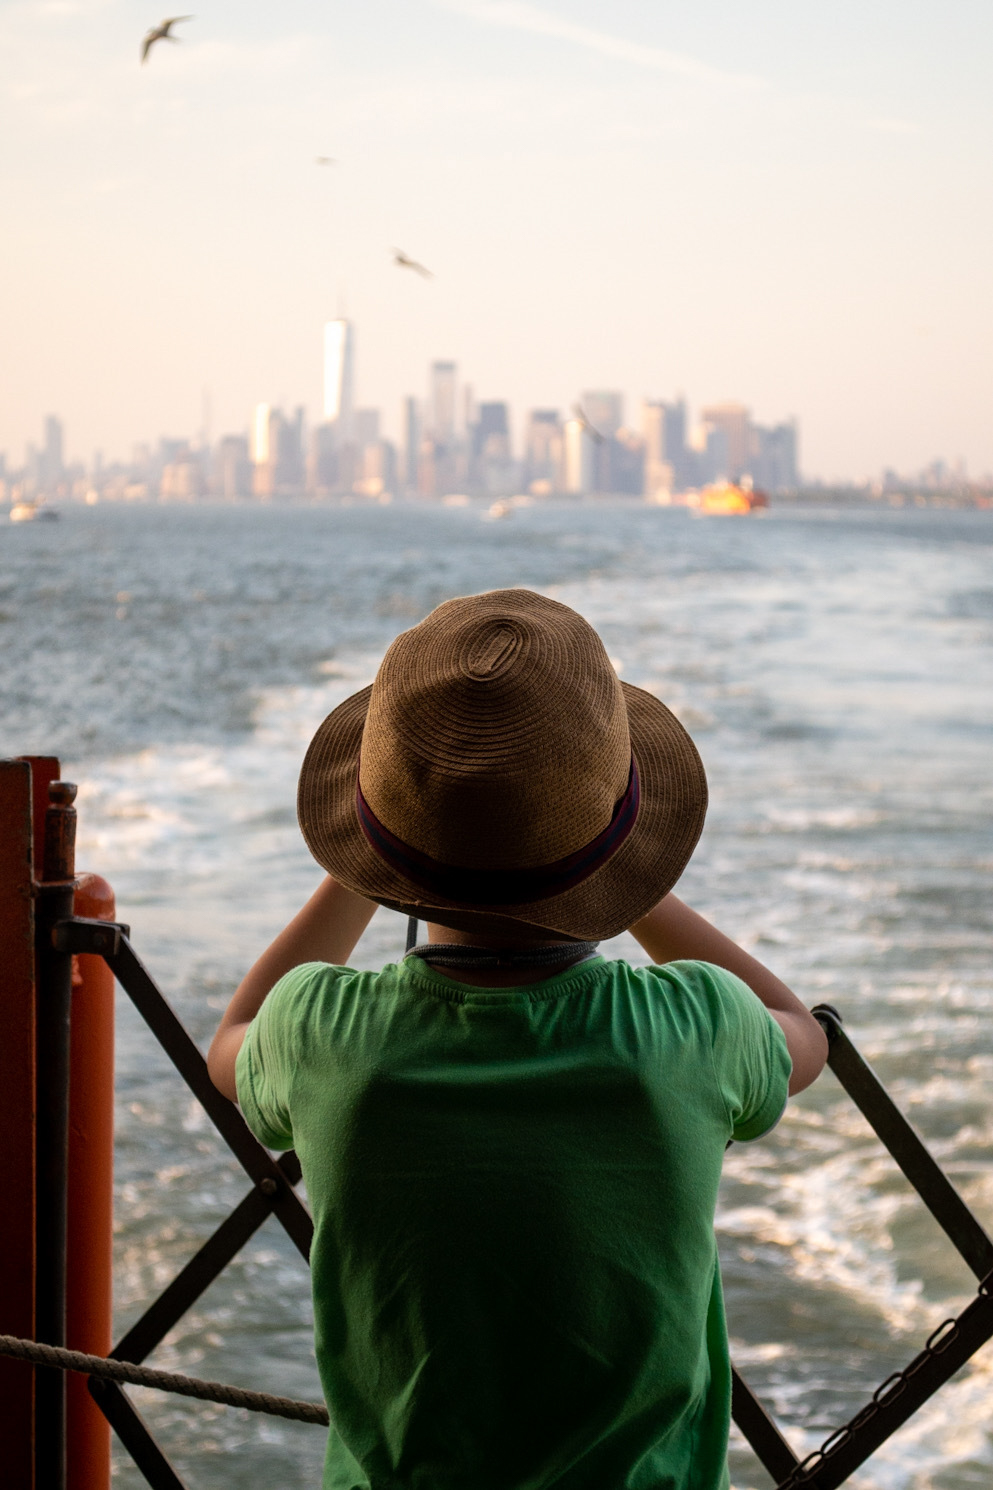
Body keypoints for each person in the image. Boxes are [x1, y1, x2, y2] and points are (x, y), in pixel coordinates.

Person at [208, 587, 828, 1490]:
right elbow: (804, 1035)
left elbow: (229, 1039)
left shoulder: (318, 1032)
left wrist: (372, 858)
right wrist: (617, 863)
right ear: (610, 844)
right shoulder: (693, 1025)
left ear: (382, 843)